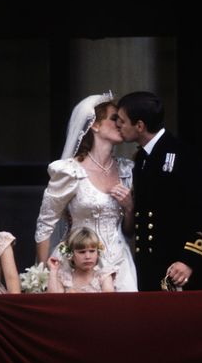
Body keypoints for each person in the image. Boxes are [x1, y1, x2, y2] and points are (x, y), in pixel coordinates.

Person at [35, 92, 138, 292]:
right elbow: (45, 224)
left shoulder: (127, 170)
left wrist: (129, 208)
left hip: (119, 263)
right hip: (76, 263)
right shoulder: (70, 171)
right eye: (114, 118)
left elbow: (129, 231)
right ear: (95, 125)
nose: (120, 123)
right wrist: (43, 272)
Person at [116, 91, 202, 291]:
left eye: (122, 121)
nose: (118, 125)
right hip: (147, 267)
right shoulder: (141, 158)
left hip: (176, 269)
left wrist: (189, 260)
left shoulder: (183, 155)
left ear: (140, 126)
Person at [47, 227, 115, 293]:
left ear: (98, 253)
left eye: (92, 251)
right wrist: (53, 270)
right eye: (82, 252)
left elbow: (108, 301)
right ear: (70, 255)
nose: (88, 257)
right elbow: (53, 300)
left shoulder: (103, 277)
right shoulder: (64, 278)